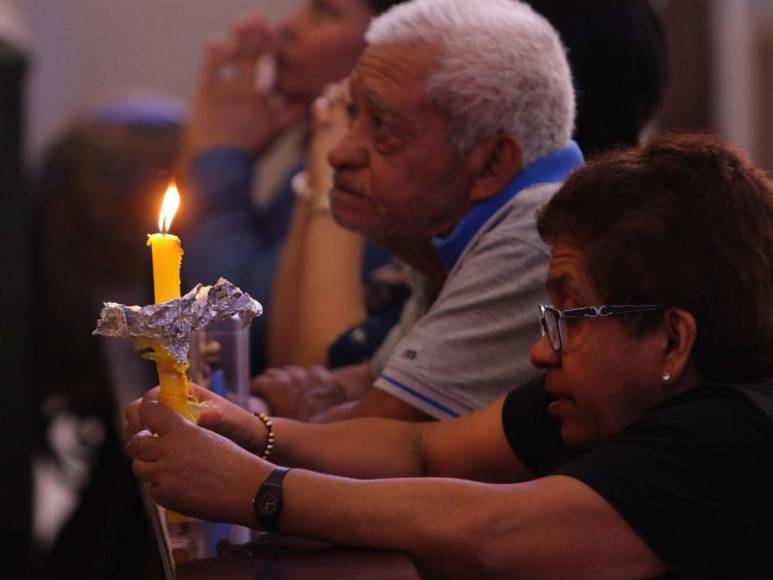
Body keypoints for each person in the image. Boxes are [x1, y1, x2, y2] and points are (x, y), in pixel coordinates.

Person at [127, 132, 773, 578]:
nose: (540, 351)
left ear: (671, 340)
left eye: (568, 316)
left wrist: (252, 489)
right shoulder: (601, 397)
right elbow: (422, 451)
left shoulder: (733, 435)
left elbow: (492, 535)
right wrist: (254, 432)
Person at [254, 0, 670, 421]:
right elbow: (381, 381)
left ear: (490, 164)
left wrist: (249, 421)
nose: (339, 154)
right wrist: (317, 393)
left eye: (382, 127)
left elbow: (382, 439)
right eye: (351, 113)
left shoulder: (538, 233)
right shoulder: (445, 230)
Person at [179, 0, 407, 374]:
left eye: (324, 12)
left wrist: (221, 154)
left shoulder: (385, 175)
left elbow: (236, 330)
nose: (286, 27)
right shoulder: (315, 145)